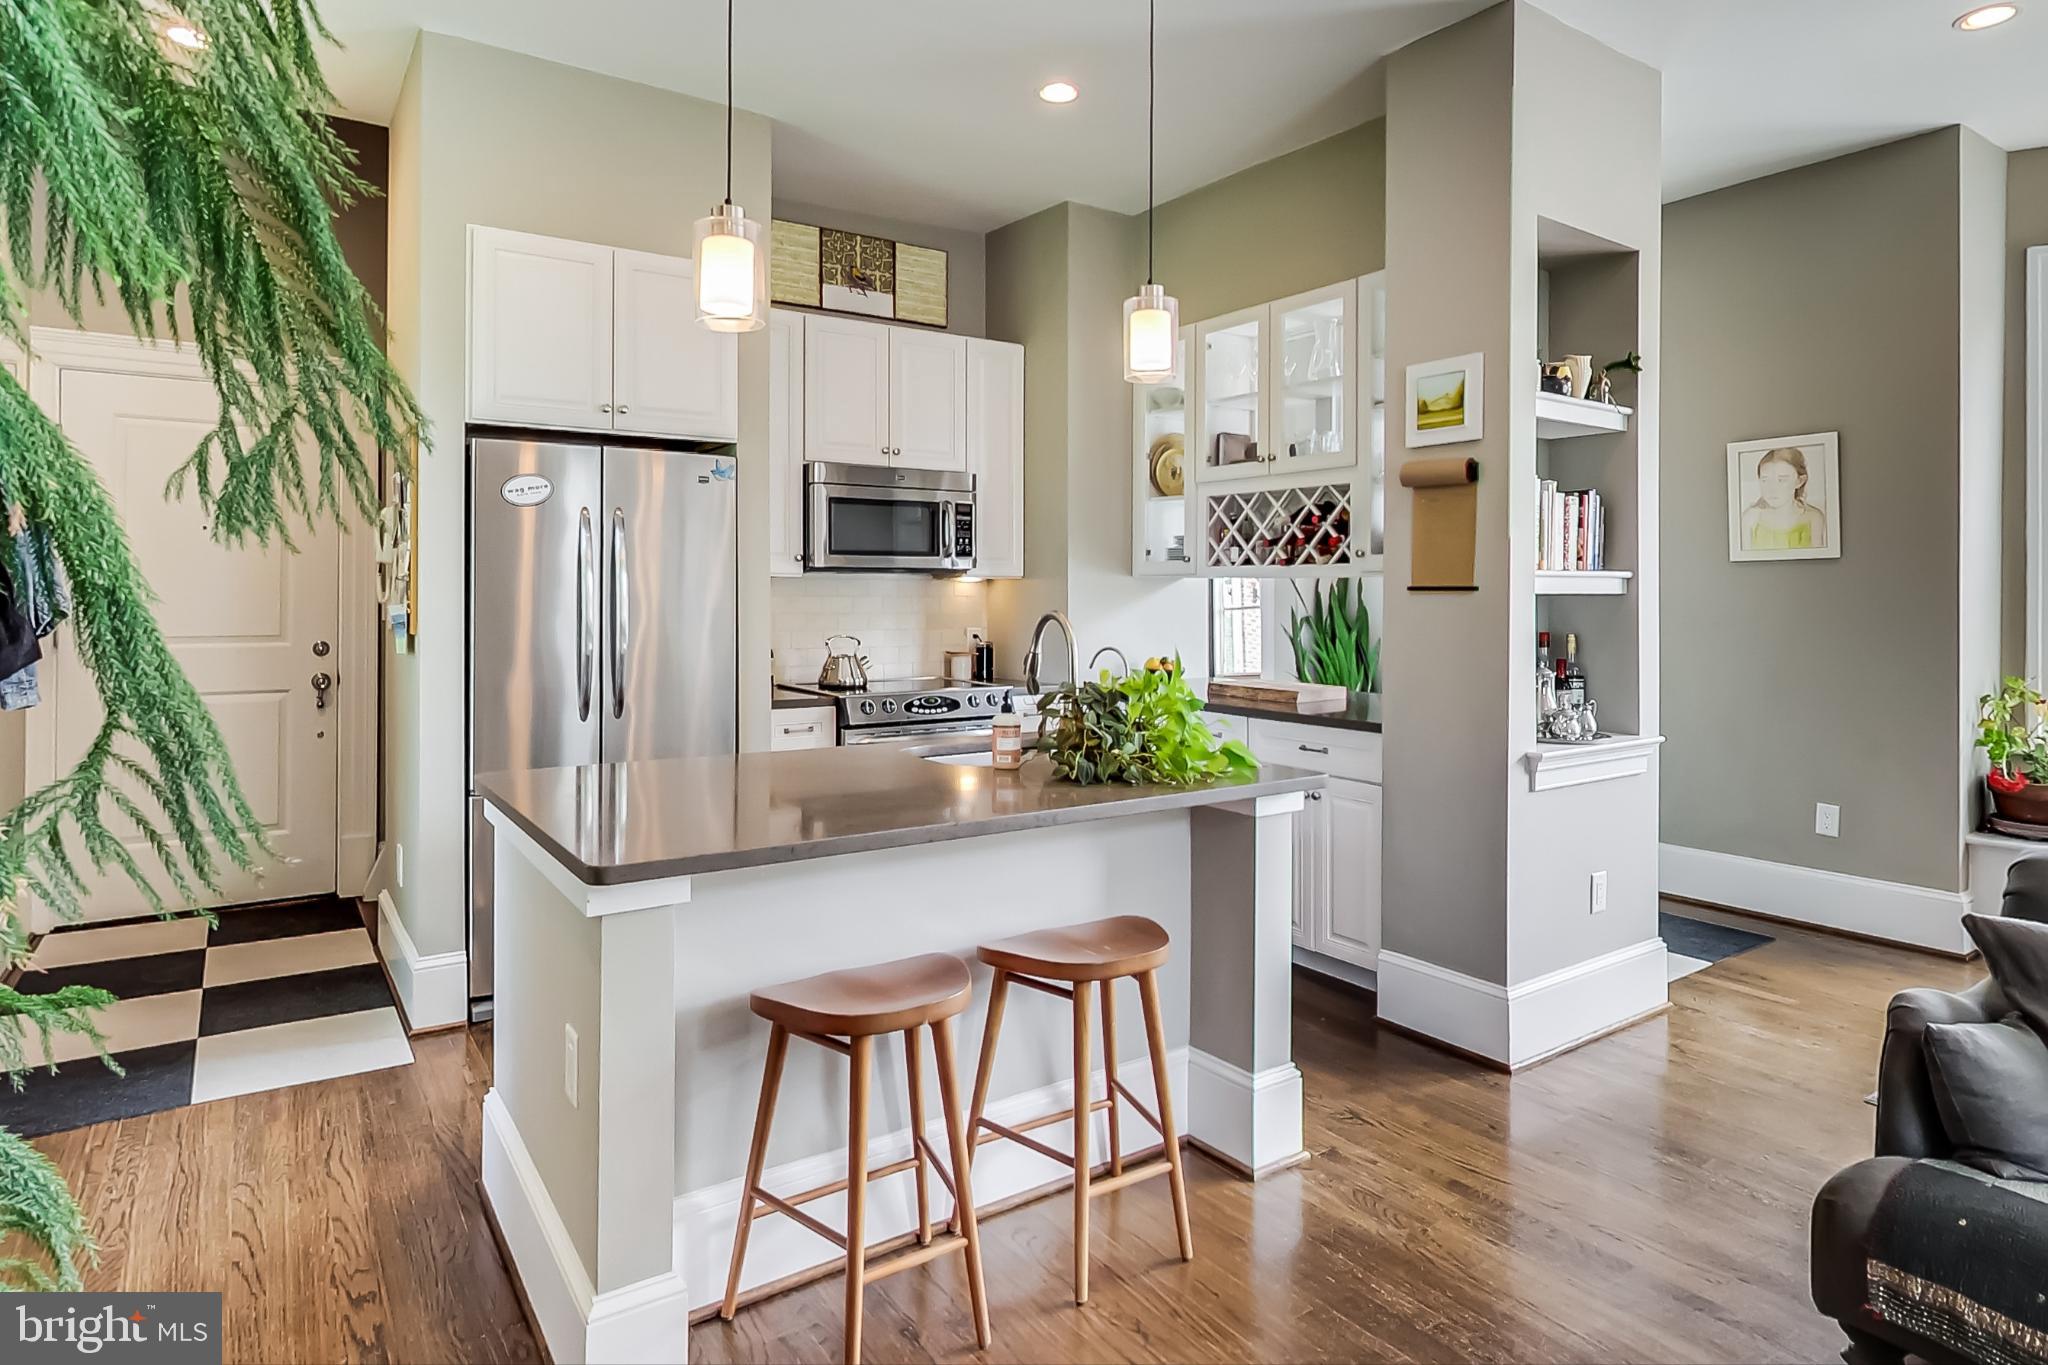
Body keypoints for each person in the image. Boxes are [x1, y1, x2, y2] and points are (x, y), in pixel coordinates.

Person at [1741, 446, 1828, 551]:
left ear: (1800, 481)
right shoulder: (1750, 518)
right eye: (1765, 480)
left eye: (1782, 480)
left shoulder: (1813, 518)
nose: (1772, 488)